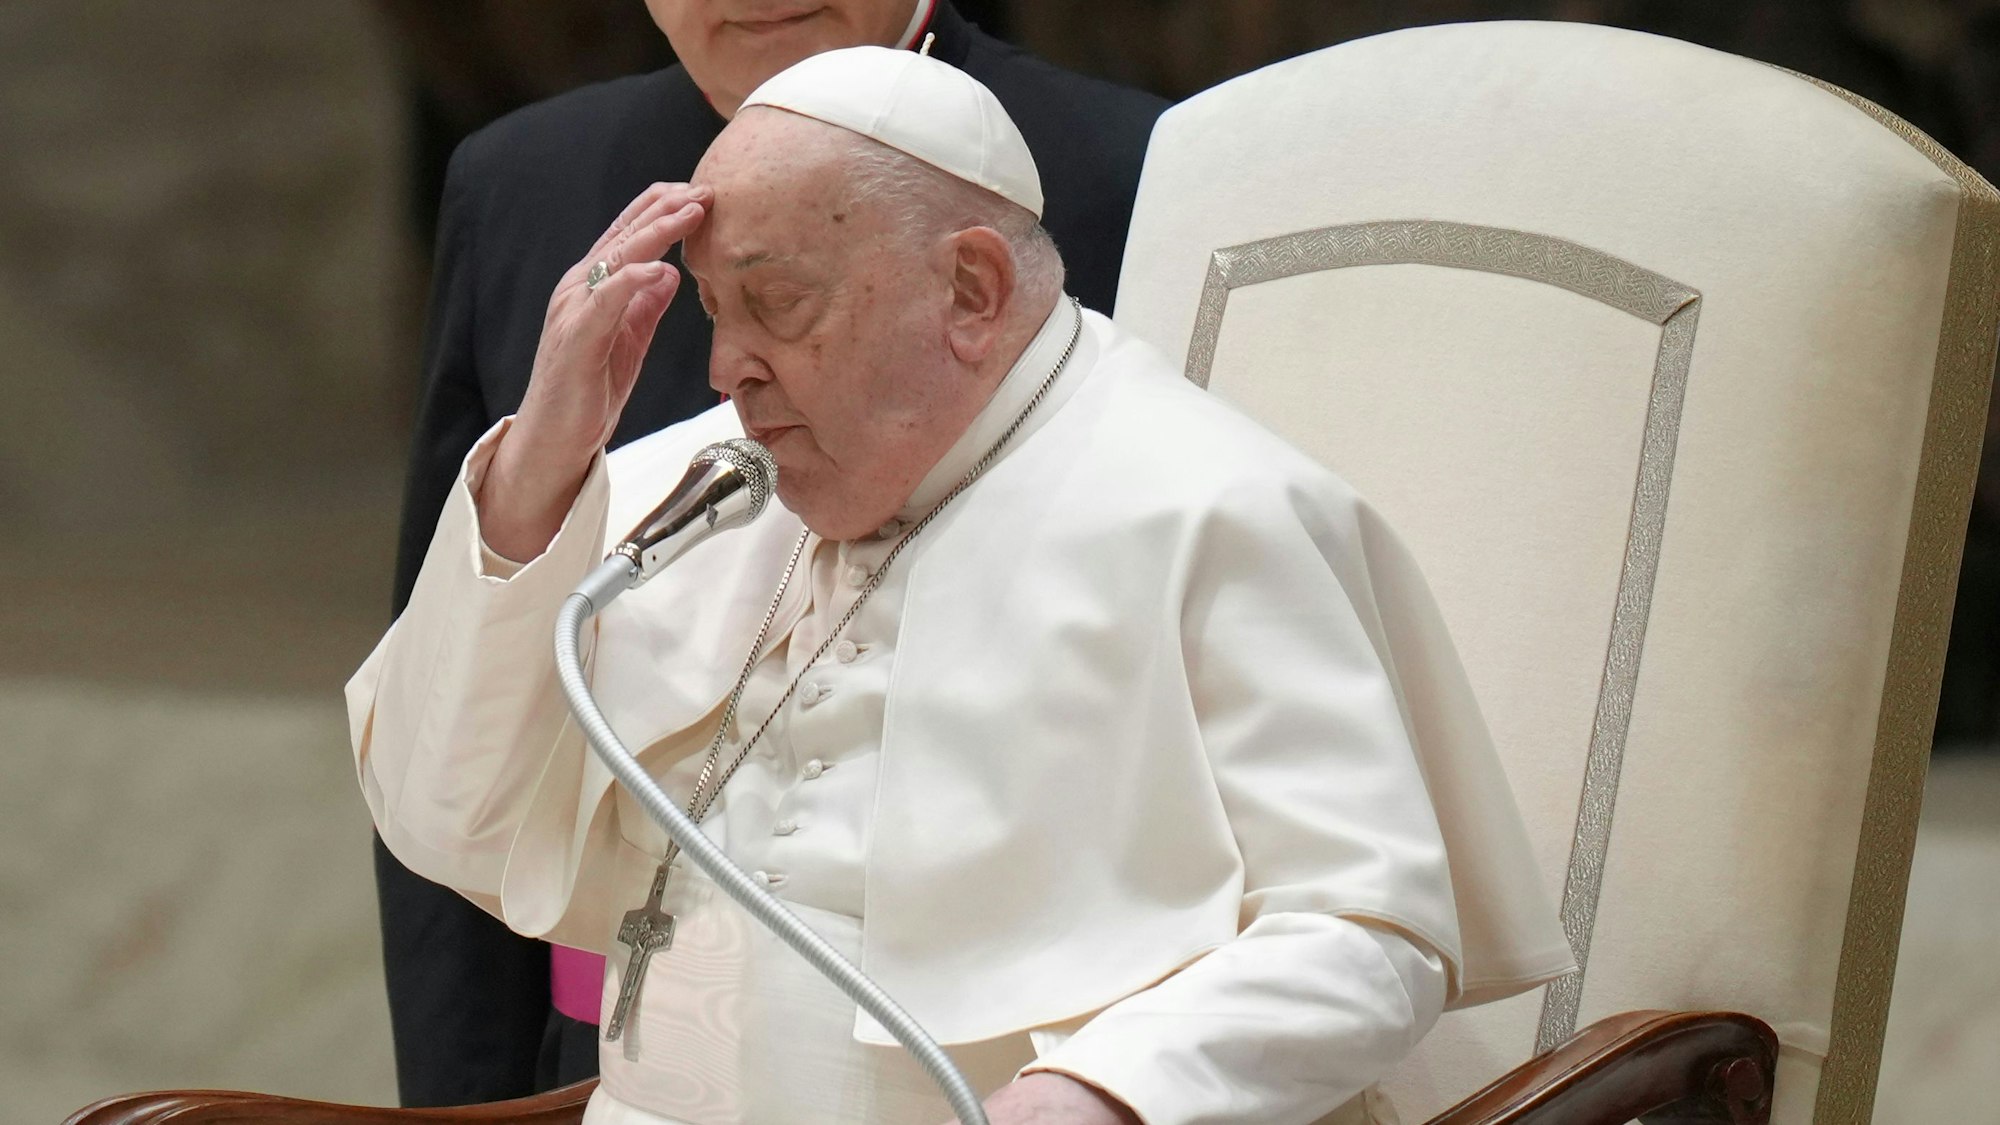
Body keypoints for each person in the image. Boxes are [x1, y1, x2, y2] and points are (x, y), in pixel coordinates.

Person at [354, 45, 1572, 1125]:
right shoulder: (691, 487)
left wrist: (1106, 1090)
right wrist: (533, 481)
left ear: (973, 291)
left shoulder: (1208, 508)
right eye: (717, 313)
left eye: (777, 306)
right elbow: (439, 815)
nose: (728, 369)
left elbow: (1370, 933)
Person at [380, 0, 1166, 1106]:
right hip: (608, 1047)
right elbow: (456, 690)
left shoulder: (1136, 166)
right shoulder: (524, 176)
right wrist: (457, 1101)